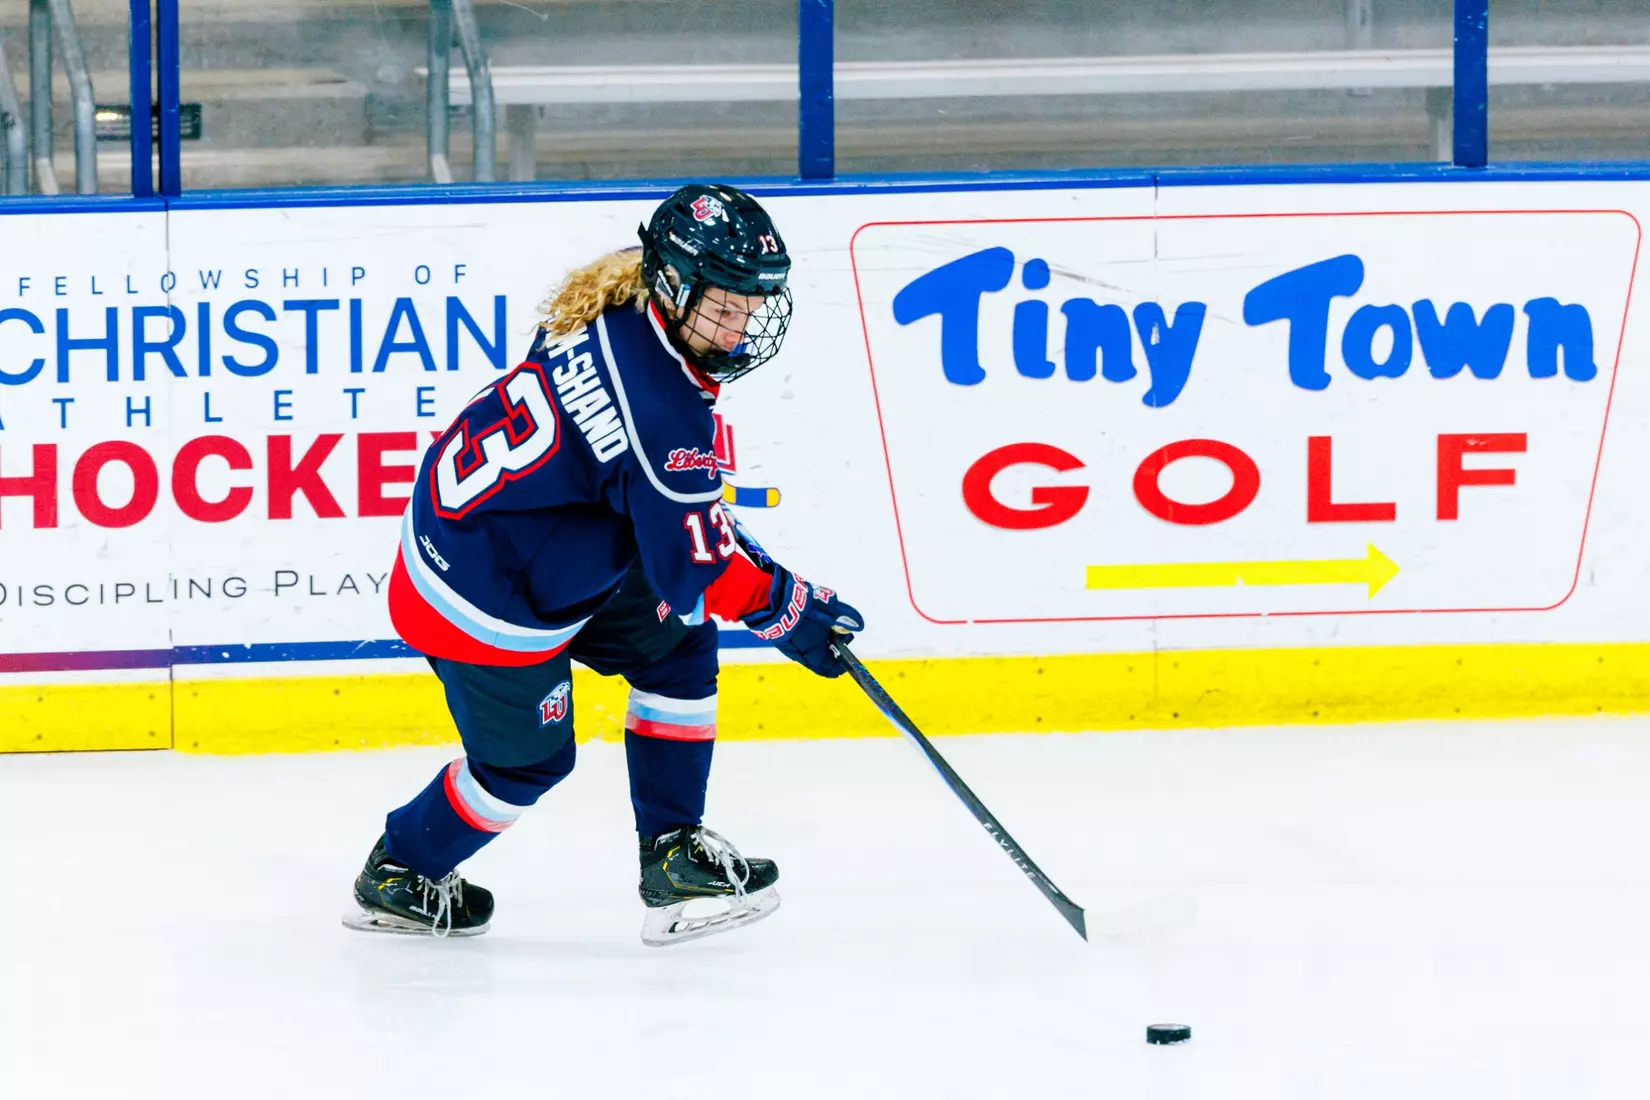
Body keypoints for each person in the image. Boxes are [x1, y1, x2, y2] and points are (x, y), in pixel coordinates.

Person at [343, 183, 863, 946]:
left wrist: (689, 525)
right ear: (675, 284)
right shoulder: (662, 416)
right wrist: (792, 611)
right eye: (725, 306)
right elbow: (701, 572)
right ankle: (399, 872)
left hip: (518, 531)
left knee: (678, 642)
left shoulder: (619, 291)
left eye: (751, 306)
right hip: (482, 598)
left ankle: (673, 853)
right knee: (526, 767)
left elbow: (646, 500)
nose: (741, 326)